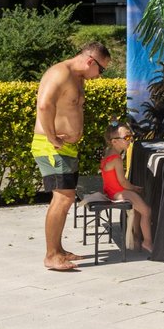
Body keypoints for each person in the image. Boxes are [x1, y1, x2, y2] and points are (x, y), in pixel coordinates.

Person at [31, 41, 111, 271]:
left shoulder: (77, 78)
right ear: (89, 61)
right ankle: (51, 255)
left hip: (65, 149)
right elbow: (44, 106)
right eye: (101, 69)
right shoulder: (60, 72)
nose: (100, 75)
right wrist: (53, 138)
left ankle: (58, 250)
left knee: (64, 198)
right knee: (63, 198)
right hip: (52, 147)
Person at [100, 121, 153, 253]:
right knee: (147, 211)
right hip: (118, 192)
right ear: (114, 141)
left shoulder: (108, 153)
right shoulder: (116, 159)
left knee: (138, 207)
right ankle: (147, 242)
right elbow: (123, 182)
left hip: (111, 191)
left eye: (131, 137)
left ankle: (136, 238)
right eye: (126, 138)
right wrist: (134, 188)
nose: (130, 140)